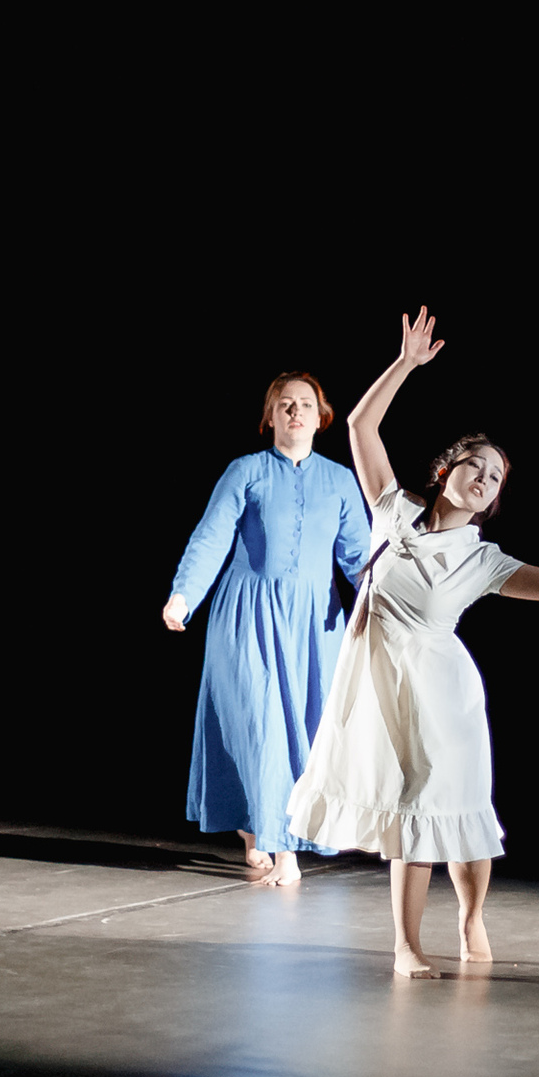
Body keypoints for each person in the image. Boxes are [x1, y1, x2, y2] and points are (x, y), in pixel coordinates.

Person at [285, 308, 539, 976]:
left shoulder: (484, 561)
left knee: (458, 809)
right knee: (413, 812)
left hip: (445, 697)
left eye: (495, 477)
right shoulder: (393, 510)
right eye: (474, 465)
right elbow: (360, 426)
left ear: (494, 499)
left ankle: (471, 917)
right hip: (385, 691)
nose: (483, 477)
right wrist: (407, 364)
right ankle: (407, 947)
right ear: (445, 471)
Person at [165, 372, 372, 885]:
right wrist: (183, 594)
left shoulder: (340, 480)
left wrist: (386, 605)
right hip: (248, 614)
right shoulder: (246, 471)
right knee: (261, 727)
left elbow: (359, 558)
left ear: (321, 417)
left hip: (314, 623)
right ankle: (283, 850)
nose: (295, 412)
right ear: (271, 416)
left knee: (305, 727)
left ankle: (261, 827)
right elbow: (212, 535)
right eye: (285, 404)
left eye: (305, 404)